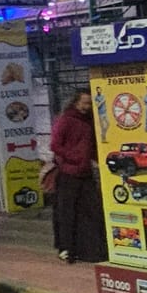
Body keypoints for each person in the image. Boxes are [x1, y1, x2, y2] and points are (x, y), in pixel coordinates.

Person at [50, 89, 106, 264]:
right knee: (67, 212)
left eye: (89, 103)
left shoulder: (89, 121)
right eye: (84, 103)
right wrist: (75, 157)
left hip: (85, 172)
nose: (87, 107)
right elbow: (55, 145)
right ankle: (66, 248)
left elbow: (92, 146)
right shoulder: (66, 120)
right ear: (76, 102)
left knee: (92, 211)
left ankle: (91, 249)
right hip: (69, 173)